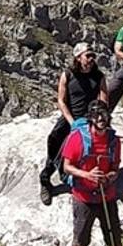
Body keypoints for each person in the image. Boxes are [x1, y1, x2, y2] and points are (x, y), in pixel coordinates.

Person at [60, 99, 123, 246]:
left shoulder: (114, 141)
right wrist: (87, 175)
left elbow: (115, 167)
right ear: (90, 118)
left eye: (104, 115)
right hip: (83, 197)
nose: (101, 119)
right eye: (97, 115)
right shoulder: (77, 138)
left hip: (107, 195)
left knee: (113, 236)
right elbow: (67, 166)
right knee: (81, 237)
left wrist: (110, 176)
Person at [41, 42, 109, 205]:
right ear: (78, 58)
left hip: (91, 119)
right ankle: (45, 181)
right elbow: (61, 101)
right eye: (88, 55)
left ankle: (92, 182)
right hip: (71, 118)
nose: (92, 59)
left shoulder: (98, 76)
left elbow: (104, 98)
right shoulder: (68, 74)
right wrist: (72, 122)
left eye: (93, 55)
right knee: (56, 145)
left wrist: (98, 117)